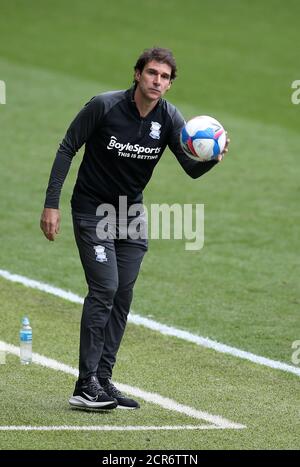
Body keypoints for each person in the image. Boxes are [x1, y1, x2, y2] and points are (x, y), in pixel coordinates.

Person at [40, 47, 229, 411]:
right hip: (92, 211)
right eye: (152, 73)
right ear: (138, 74)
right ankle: (84, 385)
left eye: (165, 77)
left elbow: (190, 169)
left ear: (170, 84)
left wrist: (213, 160)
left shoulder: (170, 118)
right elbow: (67, 149)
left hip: (131, 216)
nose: (157, 81)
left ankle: (102, 380)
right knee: (105, 288)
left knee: (122, 295)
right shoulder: (105, 106)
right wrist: (51, 204)